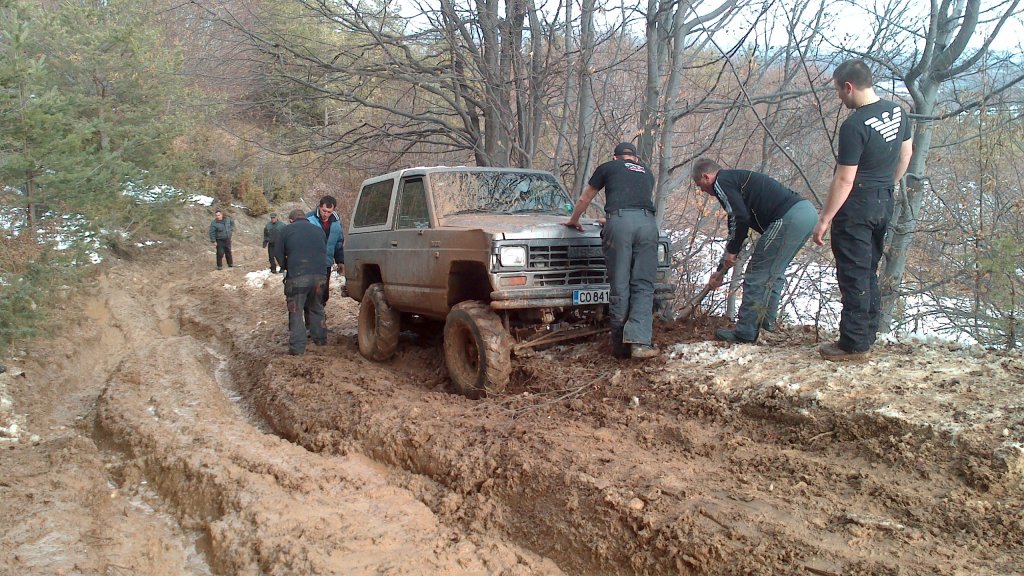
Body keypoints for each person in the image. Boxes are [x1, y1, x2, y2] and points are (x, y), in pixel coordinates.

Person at [812, 59, 913, 361]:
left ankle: (853, 344)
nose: (840, 98)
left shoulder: (854, 125)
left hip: (856, 206)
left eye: (838, 92)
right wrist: (886, 184)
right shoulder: (898, 112)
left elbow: (844, 178)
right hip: (883, 199)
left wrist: (824, 219)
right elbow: (906, 154)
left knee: (854, 273)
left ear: (849, 86)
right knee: (868, 269)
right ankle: (866, 333)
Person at [691, 159, 818, 343]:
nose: (702, 191)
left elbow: (740, 219)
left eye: (699, 185)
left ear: (706, 176)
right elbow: (735, 226)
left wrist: (732, 251)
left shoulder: (721, 182)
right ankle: (766, 325)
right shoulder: (733, 181)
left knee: (757, 272)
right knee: (774, 272)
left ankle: (745, 333)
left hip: (788, 217)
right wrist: (720, 270)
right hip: (806, 214)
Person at [565, 142, 659, 359]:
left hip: (619, 224)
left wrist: (574, 220)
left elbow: (584, 198)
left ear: (615, 157)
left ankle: (620, 347)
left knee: (620, 283)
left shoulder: (607, 167)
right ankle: (639, 342)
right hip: (647, 225)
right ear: (635, 159)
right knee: (643, 284)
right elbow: (635, 203)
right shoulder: (647, 172)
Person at [274, 209, 328, 355]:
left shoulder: (286, 230)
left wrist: (287, 267)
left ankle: (298, 348)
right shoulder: (319, 230)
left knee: (296, 311)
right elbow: (324, 251)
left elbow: (277, 253)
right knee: (317, 307)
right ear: (305, 218)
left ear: (291, 220)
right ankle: (321, 340)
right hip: (320, 277)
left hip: (298, 277)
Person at [305, 196, 345, 318]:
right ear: (319, 207)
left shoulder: (336, 222)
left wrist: (340, 261)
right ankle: (310, 321)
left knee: (323, 293)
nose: (325, 214)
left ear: (333, 210)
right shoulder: (309, 219)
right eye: (324, 211)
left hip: (326, 263)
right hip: (310, 263)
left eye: (329, 212)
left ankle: (319, 316)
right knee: (310, 292)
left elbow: (339, 242)